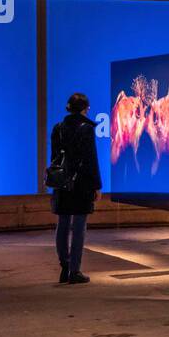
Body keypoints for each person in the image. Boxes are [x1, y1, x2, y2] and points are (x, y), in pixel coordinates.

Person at [50, 92, 102, 285]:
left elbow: (55, 158)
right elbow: (91, 160)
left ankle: (65, 266)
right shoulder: (86, 128)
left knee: (63, 223)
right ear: (84, 109)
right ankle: (75, 270)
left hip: (62, 181)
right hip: (81, 183)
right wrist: (97, 185)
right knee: (79, 226)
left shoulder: (58, 128)